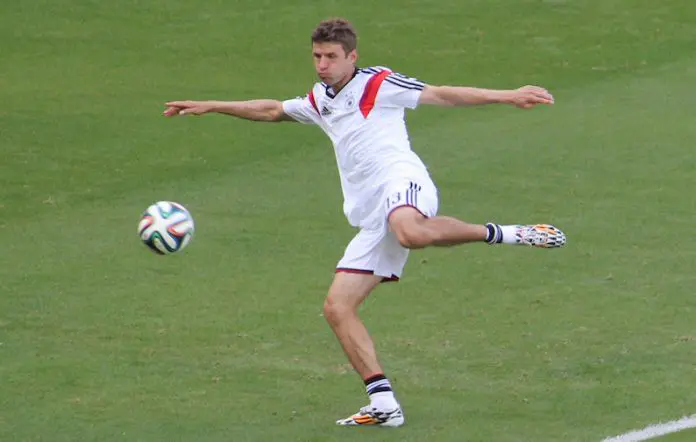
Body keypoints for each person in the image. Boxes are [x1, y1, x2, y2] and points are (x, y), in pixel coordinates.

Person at [163, 17, 566, 428]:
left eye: (331, 57)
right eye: (317, 56)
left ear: (352, 56)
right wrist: (212, 105)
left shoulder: (378, 83)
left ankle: (509, 234)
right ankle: (384, 403)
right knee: (337, 308)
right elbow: (272, 110)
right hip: (372, 215)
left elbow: (441, 94)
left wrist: (507, 96)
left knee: (409, 231)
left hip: (401, 181)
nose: (322, 65)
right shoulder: (320, 98)